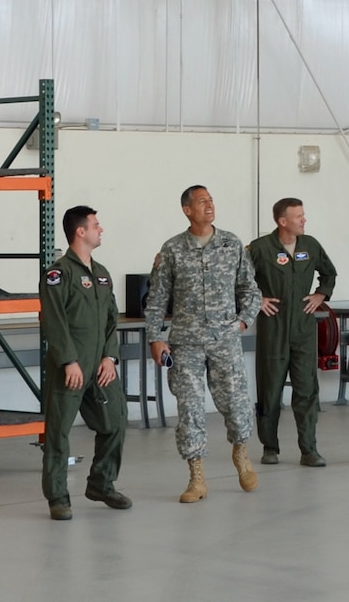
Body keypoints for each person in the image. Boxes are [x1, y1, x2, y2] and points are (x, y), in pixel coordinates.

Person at [146, 185, 262, 501]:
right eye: (202, 202)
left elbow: (250, 291)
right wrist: (155, 337)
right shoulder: (172, 249)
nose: (209, 205)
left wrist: (241, 321)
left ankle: (241, 453)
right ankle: (196, 477)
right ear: (187, 210)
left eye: (211, 200)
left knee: (237, 404)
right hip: (185, 343)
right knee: (190, 410)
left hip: (225, 340)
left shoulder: (231, 244)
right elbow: (157, 298)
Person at [41, 205, 129, 520]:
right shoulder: (58, 273)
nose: (100, 229)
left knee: (116, 421)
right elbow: (54, 320)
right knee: (58, 432)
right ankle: (58, 498)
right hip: (70, 368)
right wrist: (68, 361)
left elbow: (110, 319)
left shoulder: (102, 274)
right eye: (95, 225)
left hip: (99, 367)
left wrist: (109, 356)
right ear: (81, 231)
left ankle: (101, 484)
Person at [247, 197, 337, 467]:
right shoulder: (260, 248)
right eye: (298, 216)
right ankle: (269, 447)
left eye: (303, 215)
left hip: (303, 328)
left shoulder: (310, 246)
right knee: (270, 389)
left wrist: (321, 294)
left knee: (307, 390)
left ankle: (309, 449)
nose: (303, 220)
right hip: (273, 329)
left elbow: (329, 274)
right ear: (282, 221)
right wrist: (257, 300)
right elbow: (237, 278)